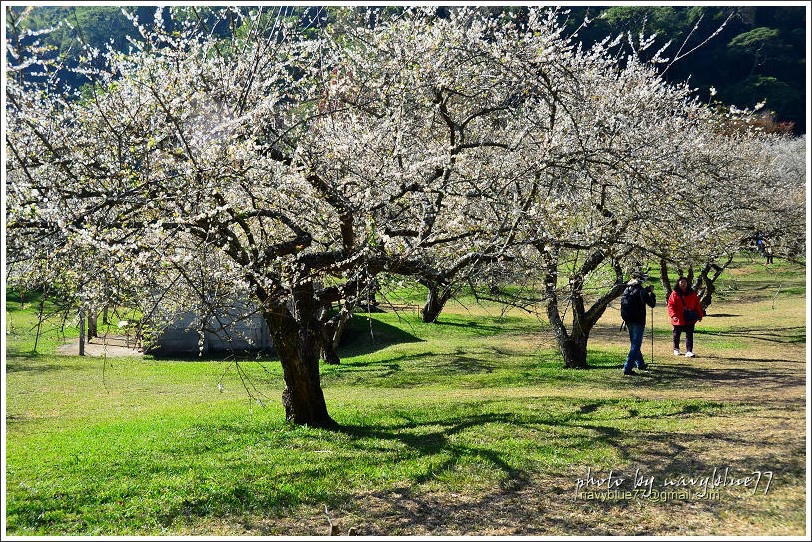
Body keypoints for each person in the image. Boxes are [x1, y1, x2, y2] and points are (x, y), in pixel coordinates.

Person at [620, 272, 656, 375]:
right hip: (638, 321)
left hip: (628, 319)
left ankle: (640, 363)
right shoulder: (641, 291)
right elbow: (652, 304)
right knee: (636, 345)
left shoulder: (627, 289)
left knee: (634, 343)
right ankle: (627, 368)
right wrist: (652, 294)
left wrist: (646, 290)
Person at [667, 276, 704, 358]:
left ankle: (689, 351)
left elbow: (697, 304)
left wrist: (699, 315)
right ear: (678, 283)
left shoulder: (692, 293)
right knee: (677, 334)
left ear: (687, 283)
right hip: (678, 318)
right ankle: (676, 349)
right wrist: (673, 315)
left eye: (685, 282)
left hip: (689, 317)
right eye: (681, 282)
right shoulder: (674, 293)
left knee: (689, 334)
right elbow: (670, 306)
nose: (683, 284)